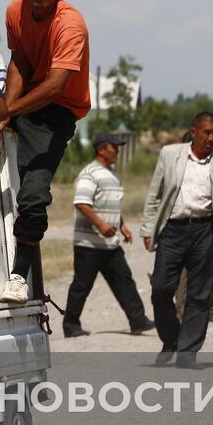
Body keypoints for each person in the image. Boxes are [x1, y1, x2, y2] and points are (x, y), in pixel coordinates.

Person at [0, 0, 92, 305]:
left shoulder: (70, 24)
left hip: (58, 109)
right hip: (26, 100)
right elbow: (19, 59)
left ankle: (20, 275)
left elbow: (55, 86)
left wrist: (9, 110)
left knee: (33, 193)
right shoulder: (14, 11)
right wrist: (5, 108)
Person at [139, 111, 213, 367]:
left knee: (199, 295)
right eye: (207, 132)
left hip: (204, 231)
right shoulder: (170, 154)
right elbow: (154, 194)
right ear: (193, 132)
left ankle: (187, 352)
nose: (211, 137)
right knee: (161, 288)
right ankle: (171, 339)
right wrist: (148, 229)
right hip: (172, 230)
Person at [62, 132, 155, 338]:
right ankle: (70, 325)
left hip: (110, 243)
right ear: (102, 149)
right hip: (89, 242)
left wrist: (121, 226)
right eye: (114, 147)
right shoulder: (90, 174)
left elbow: (110, 203)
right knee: (82, 285)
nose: (118, 151)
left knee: (124, 280)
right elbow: (81, 203)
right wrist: (101, 224)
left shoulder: (112, 173)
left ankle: (137, 319)